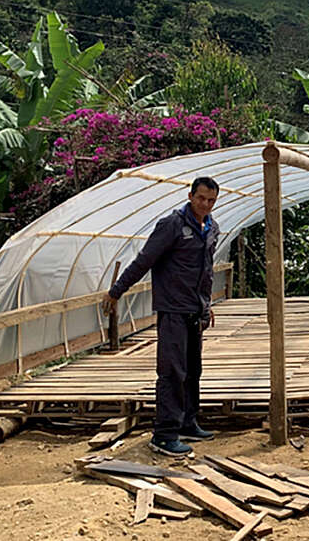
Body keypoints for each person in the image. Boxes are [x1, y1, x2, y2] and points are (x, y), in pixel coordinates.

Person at [102, 176, 220, 456]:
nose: (205, 204)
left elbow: (206, 270)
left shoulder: (211, 226)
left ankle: (187, 423)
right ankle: (165, 435)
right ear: (190, 195)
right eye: (201, 198)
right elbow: (145, 260)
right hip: (173, 310)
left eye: (211, 200)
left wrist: (207, 305)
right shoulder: (173, 225)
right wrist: (117, 291)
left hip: (195, 310)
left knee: (192, 371)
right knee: (172, 371)